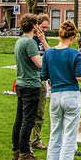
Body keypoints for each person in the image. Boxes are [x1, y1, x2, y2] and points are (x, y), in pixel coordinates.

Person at [40, 21, 81, 160]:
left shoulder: (49, 53)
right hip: (71, 94)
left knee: (55, 134)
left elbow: (43, 75)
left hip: (56, 95)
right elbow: (79, 76)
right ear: (72, 37)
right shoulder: (74, 54)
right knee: (69, 135)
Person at [12, 14, 43, 160]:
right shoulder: (30, 43)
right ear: (34, 26)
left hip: (21, 83)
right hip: (31, 85)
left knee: (19, 119)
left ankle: (16, 149)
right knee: (28, 120)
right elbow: (39, 64)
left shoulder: (19, 41)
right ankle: (25, 152)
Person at [30, 14, 52, 151]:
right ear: (36, 25)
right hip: (32, 79)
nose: (44, 30)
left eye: (46, 28)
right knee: (30, 112)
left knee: (40, 112)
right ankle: (27, 140)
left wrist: (43, 41)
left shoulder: (42, 39)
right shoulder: (30, 40)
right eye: (43, 27)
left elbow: (51, 55)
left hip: (42, 79)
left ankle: (35, 139)